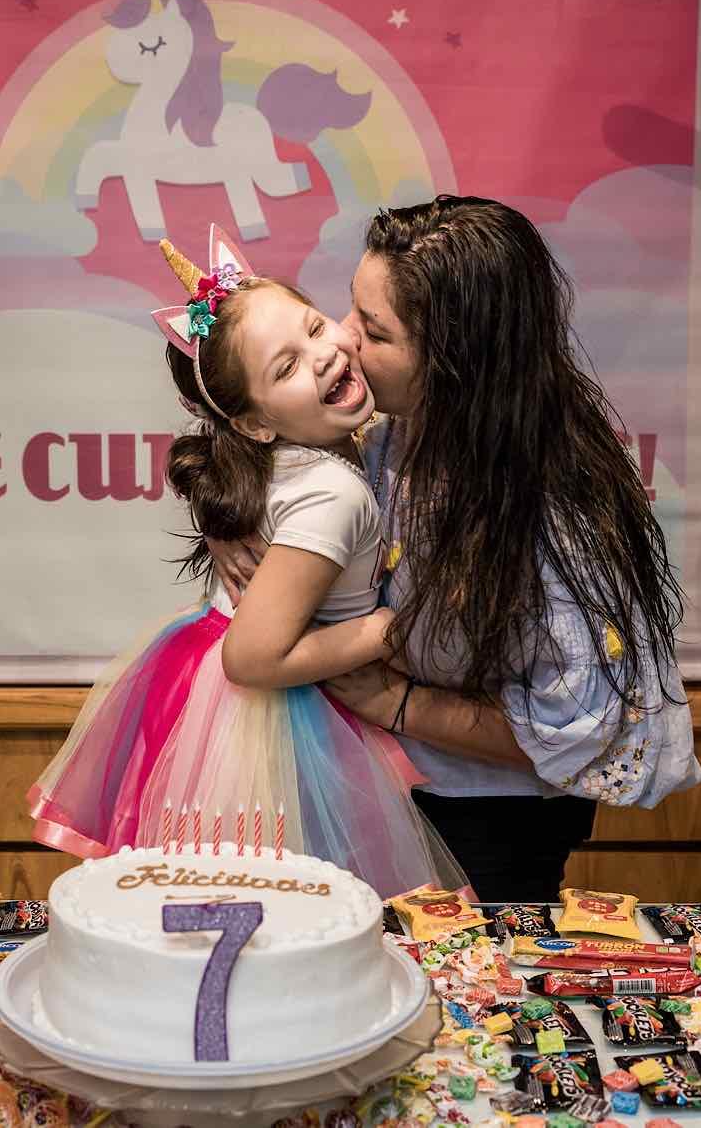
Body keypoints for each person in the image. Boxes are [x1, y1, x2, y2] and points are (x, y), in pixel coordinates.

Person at [210, 196, 701, 901]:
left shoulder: (554, 510)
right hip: (377, 788)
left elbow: (583, 728)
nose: (343, 339)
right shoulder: (396, 428)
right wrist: (229, 519)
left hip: (485, 826)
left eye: (374, 330)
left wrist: (397, 702)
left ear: (455, 362)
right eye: (349, 310)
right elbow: (244, 427)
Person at [28, 225, 465, 899]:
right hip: (281, 708)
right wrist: (390, 628)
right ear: (255, 424)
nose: (323, 356)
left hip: (219, 694)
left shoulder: (302, 453)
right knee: (299, 902)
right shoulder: (335, 491)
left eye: (315, 328)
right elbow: (253, 658)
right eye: (285, 368)